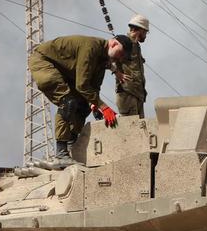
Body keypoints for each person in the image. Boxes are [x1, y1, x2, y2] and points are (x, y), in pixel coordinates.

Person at [28, 34, 133, 169]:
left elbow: (93, 88)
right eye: (122, 53)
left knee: (84, 106)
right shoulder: (91, 47)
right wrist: (104, 107)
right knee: (67, 102)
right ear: (114, 44)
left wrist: (94, 105)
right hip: (44, 62)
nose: (121, 58)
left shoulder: (102, 61)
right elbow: (82, 85)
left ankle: (72, 145)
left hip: (65, 72)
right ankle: (61, 153)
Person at [115, 15, 149, 118]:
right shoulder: (124, 41)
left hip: (138, 94)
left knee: (140, 129)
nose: (146, 35)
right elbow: (107, 57)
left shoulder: (136, 46)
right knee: (132, 129)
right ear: (140, 30)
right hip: (127, 92)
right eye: (145, 32)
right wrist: (117, 73)